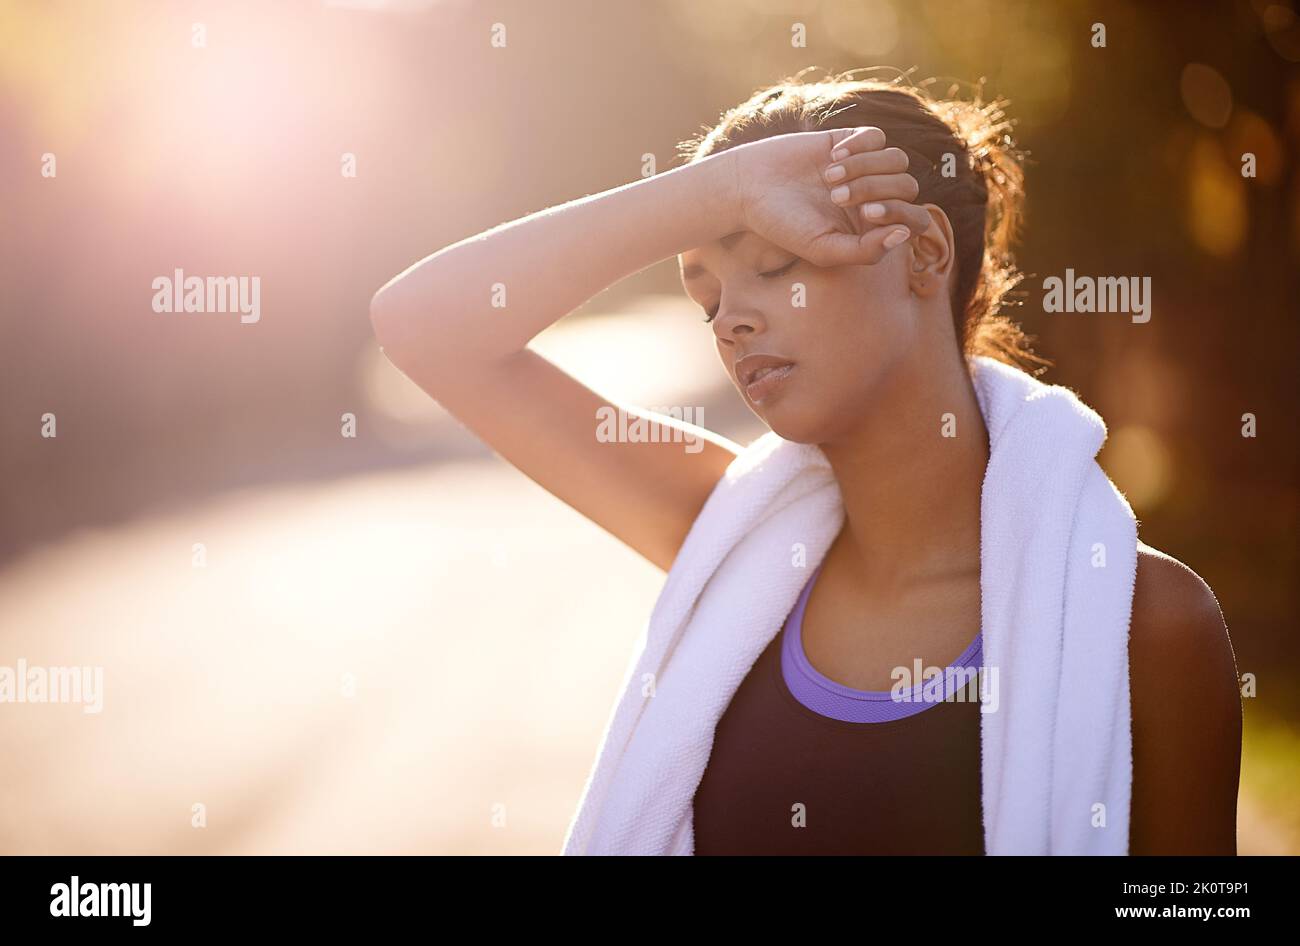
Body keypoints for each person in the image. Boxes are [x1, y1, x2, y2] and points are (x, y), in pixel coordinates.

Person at [368, 71, 1242, 854]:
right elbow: (423, 326)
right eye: (706, 293)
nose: (729, 321)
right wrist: (717, 191)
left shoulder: (1143, 621)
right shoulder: (726, 538)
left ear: (926, 254)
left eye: (774, 263)